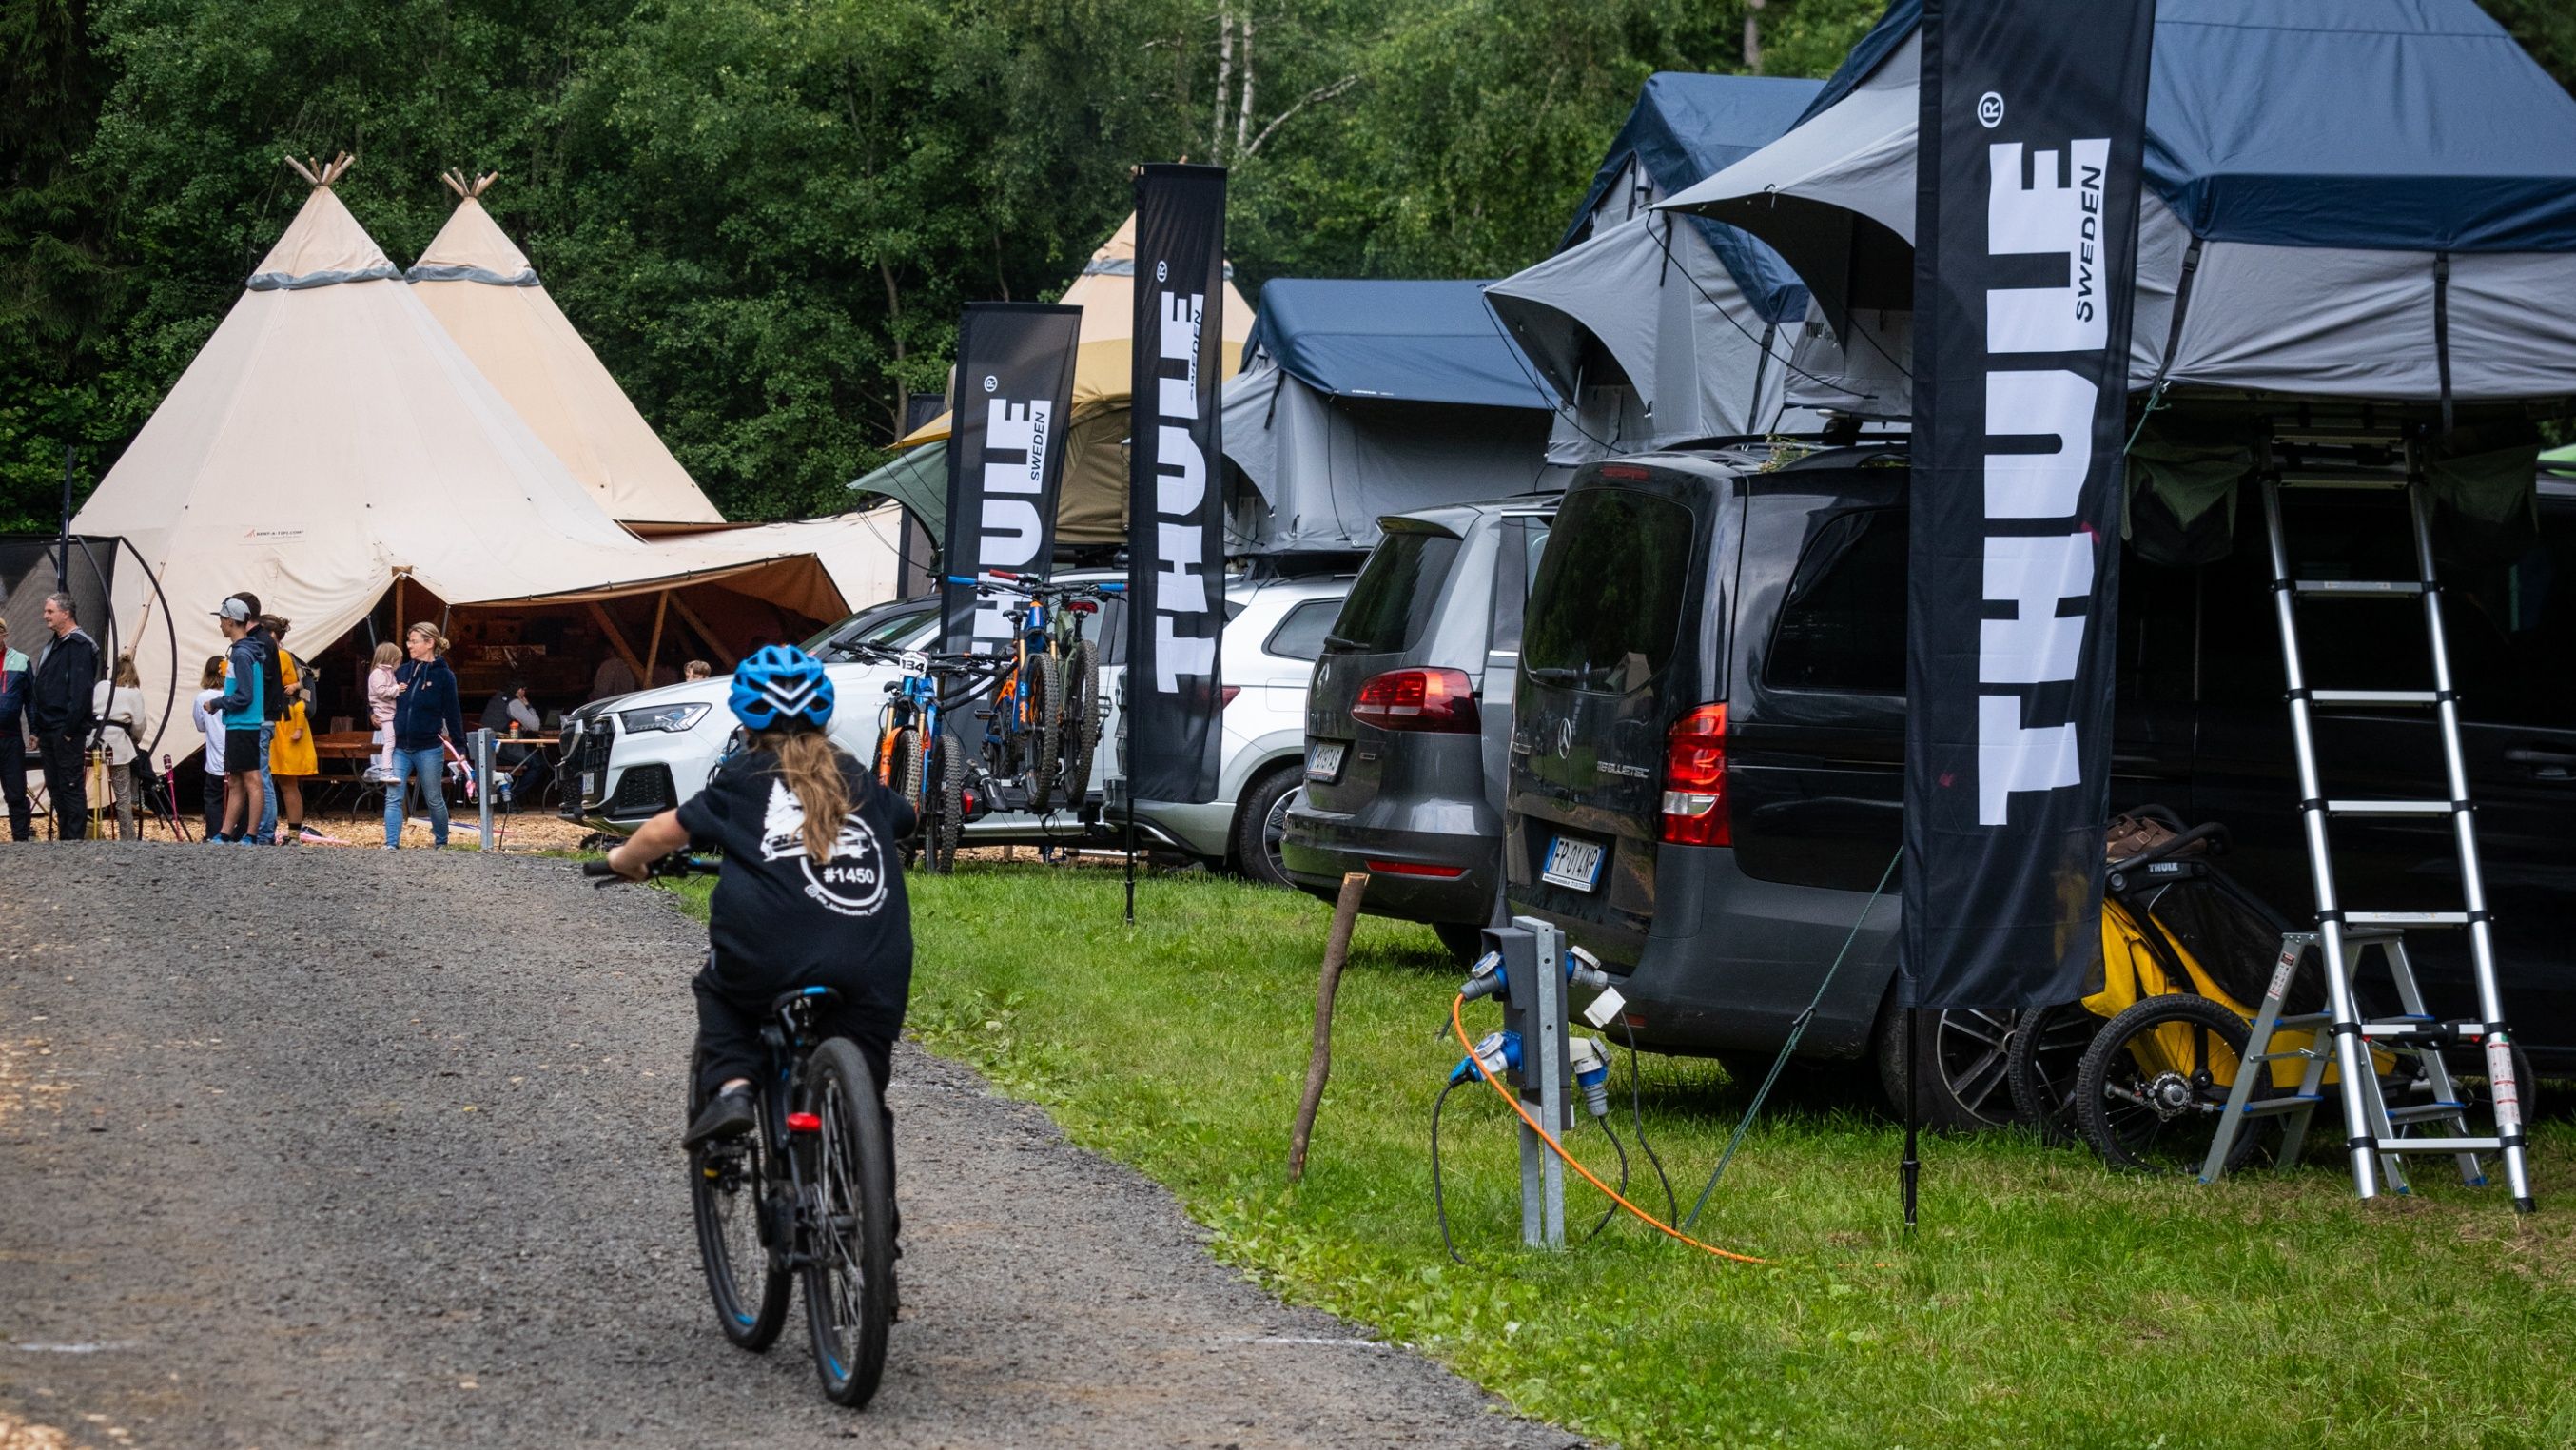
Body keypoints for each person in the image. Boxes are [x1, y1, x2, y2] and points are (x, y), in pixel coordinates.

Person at [606, 646, 915, 1166]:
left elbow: (662, 832)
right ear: (824, 716)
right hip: (874, 959)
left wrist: (624, 861)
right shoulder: (854, 776)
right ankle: (869, 1197)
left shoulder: (743, 777)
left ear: (746, 721)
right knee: (864, 1086)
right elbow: (905, 819)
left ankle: (733, 1089)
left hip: (770, 952)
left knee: (721, 990)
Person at [383, 621, 465, 849]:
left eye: (414, 641)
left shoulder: (445, 676)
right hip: (400, 746)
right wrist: (374, 712)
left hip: (429, 747)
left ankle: (441, 842)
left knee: (433, 798)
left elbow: (453, 713)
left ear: (429, 643)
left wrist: (460, 746)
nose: (409, 645)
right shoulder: (402, 671)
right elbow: (381, 694)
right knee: (393, 796)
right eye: (408, 641)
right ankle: (391, 844)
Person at [29, 592, 100, 841]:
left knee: (70, 785)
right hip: (50, 727)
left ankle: (74, 841)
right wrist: (38, 728)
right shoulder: (55, 644)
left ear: (66, 613)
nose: (45, 616)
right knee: (56, 785)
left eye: (50, 611)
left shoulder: (79, 645)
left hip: (65, 728)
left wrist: (70, 729)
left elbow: (81, 691)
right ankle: (65, 839)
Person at [211, 596, 272, 843]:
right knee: (236, 780)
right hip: (241, 722)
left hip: (244, 722)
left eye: (222, 619)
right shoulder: (248, 651)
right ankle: (226, 833)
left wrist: (217, 703)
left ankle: (251, 834)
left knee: (251, 778)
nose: (220, 624)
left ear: (230, 621)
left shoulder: (241, 654)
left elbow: (245, 695)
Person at [266, 618, 317, 845]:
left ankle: (272, 831)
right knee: (285, 783)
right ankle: (291, 834)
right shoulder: (290, 656)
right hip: (287, 721)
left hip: (283, 723)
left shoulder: (279, 656)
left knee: (279, 781)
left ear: (271, 635)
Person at [90, 652, 145, 841]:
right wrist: (135, 740)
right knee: (123, 796)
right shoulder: (133, 693)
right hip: (118, 744)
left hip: (93, 741)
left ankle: (82, 830)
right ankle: (127, 838)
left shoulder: (100, 687)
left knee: (88, 789)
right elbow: (139, 725)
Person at [190, 655, 228, 839]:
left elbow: (200, 726)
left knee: (213, 798)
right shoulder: (234, 696)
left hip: (215, 758)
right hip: (235, 754)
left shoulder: (202, 698)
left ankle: (214, 834)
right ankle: (238, 833)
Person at [0, 618, 30, 841]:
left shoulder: (20, 660)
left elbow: (31, 699)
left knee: (16, 793)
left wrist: (35, 730)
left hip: (10, 739)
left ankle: (21, 841)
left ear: (4, 634)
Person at [364, 641, 402, 782]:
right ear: (391, 659)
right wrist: (397, 689)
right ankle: (386, 771)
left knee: (392, 741)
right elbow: (381, 691)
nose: (399, 663)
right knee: (390, 742)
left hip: (388, 712)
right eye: (398, 660)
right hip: (385, 713)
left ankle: (389, 769)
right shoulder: (379, 673)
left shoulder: (387, 673)